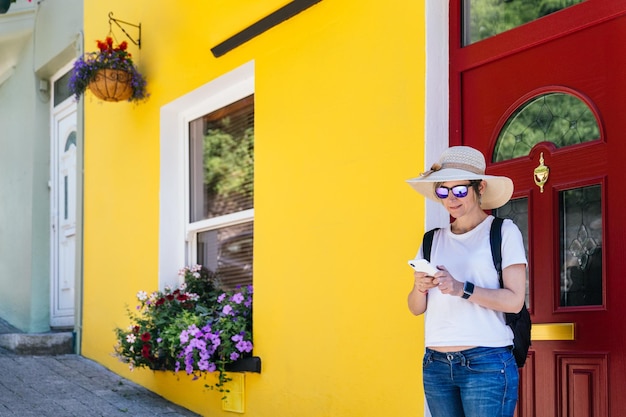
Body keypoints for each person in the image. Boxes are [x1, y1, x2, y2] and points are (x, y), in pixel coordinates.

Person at [406, 146, 527, 417]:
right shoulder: (431, 239)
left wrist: (462, 288)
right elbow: (415, 307)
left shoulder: (502, 232)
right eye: (443, 191)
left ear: (479, 187)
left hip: (487, 362)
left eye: (459, 190)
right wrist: (419, 287)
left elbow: (514, 300)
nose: (451, 199)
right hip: (436, 364)